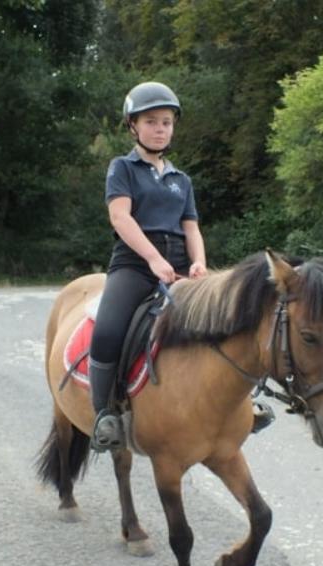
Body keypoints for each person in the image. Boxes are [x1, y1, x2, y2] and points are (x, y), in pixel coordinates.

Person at [89, 81, 208, 452]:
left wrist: (199, 263)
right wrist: (153, 259)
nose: (160, 129)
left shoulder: (181, 180)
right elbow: (120, 218)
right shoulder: (123, 168)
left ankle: (234, 406)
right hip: (135, 264)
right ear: (133, 126)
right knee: (107, 331)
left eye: (166, 122)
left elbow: (191, 227)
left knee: (223, 319)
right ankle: (105, 415)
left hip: (179, 264)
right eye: (151, 121)